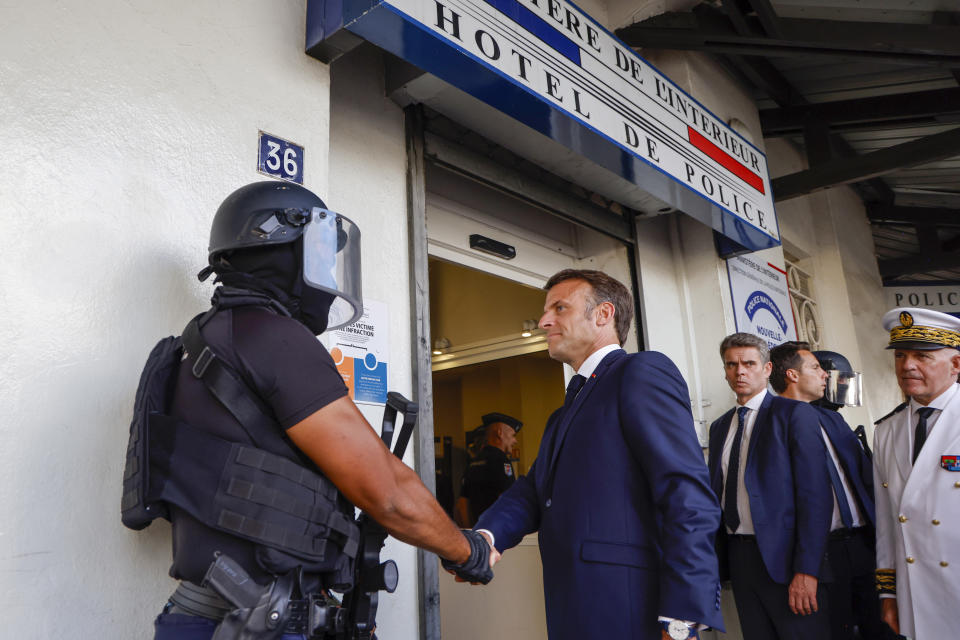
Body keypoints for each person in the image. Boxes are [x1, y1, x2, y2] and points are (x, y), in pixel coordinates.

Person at [124, 181, 491, 640]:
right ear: (279, 248)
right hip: (263, 622)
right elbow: (387, 490)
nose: (330, 278)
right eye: (319, 256)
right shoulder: (274, 339)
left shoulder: (204, 340)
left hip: (199, 617)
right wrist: (467, 550)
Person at [469, 269, 724, 640]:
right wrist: (486, 537)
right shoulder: (563, 413)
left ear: (603, 315)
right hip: (572, 606)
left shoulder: (641, 372)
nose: (543, 321)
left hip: (632, 607)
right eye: (545, 311)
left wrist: (684, 613)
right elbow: (533, 492)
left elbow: (687, 494)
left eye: (559, 308)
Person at [707, 333, 833, 640]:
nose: (740, 372)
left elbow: (815, 497)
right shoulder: (720, 426)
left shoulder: (793, 414)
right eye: (732, 365)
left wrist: (806, 571)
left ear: (766, 369)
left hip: (787, 562)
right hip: (740, 558)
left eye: (749, 363)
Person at [770, 343, 896, 640]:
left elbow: (867, 484)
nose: (826, 379)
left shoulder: (835, 421)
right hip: (824, 553)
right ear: (792, 375)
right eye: (818, 370)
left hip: (864, 545)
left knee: (884, 628)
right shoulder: (774, 422)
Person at [873, 307, 960, 638]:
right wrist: (888, 593)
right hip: (915, 594)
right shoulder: (886, 431)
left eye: (922, 356)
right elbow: (886, 522)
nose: (907, 365)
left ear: (956, 365)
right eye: (900, 355)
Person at [454, 412, 521, 527]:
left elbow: (461, 505)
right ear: (500, 433)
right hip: (496, 536)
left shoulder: (473, 462)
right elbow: (508, 501)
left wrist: (472, 533)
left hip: (477, 535)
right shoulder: (502, 461)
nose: (515, 441)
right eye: (513, 435)